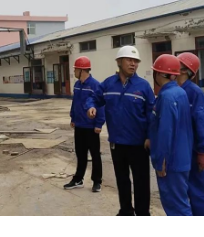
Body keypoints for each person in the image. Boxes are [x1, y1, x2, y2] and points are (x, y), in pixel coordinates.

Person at [86, 46, 155, 216]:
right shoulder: (108, 84)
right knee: (122, 180)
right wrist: (91, 106)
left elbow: (151, 114)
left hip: (139, 144)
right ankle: (126, 211)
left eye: (136, 61)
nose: (133, 64)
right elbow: (94, 98)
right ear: (119, 62)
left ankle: (143, 214)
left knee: (141, 181)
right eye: (129, 60)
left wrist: (150, 137)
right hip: (117, 143)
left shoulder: (144, 86)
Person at [149, 54, 193, 216]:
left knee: (176, 208)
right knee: (181, 203)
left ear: (160, 74)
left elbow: (165, 131)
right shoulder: (180, 92)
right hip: (182, 158)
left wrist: (161, 160)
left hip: (171, 163)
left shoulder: (166, 97)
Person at [177, 52, 204, 216]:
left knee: (198, 191)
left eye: (176, 65)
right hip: (179, 151)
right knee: (182, 192)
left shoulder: (194, 93)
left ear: (184, 70)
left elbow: (201, 122)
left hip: (193, 151)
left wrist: (202, 152)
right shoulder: (174, 90)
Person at [64, 56, 105, 193]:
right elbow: (75, 102)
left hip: (91, 127)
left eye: (75, 69)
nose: (74, 71)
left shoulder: (95, 85)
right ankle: (78, 179)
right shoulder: (77, 85)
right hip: (79, 125)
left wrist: (99, 124)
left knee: (95, 155)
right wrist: (73, 117)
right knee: (80, 154)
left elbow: (101, 106)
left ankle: (97, 181)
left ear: (82, 70)